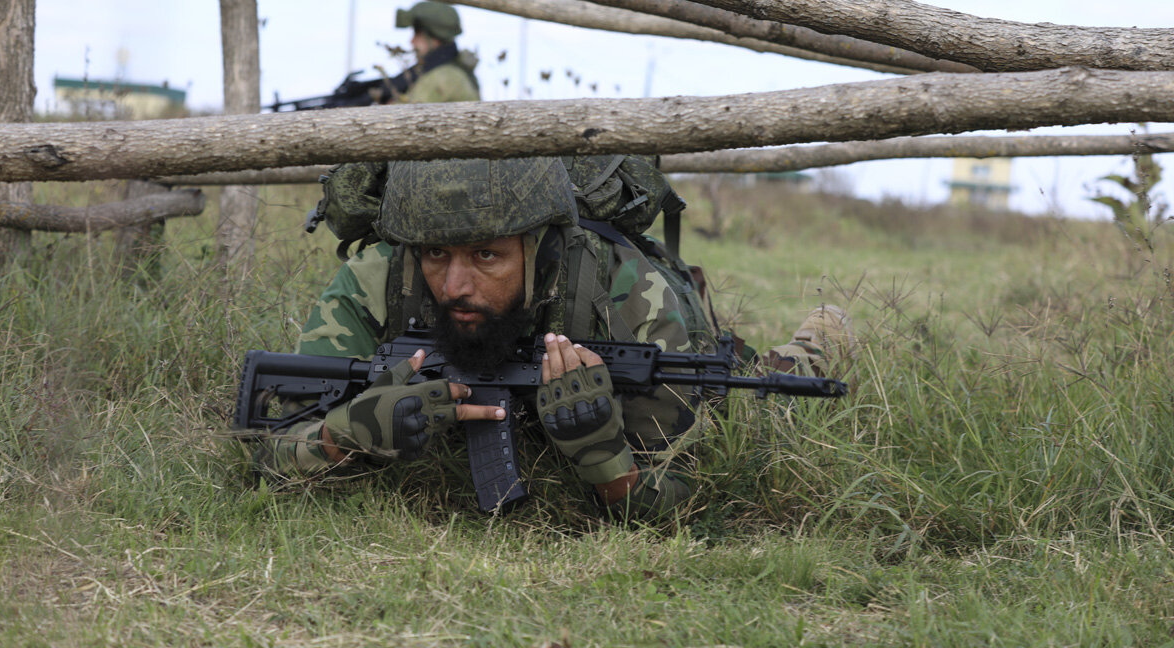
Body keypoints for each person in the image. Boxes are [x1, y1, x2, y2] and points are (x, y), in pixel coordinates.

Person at [258, 157, 852, 520]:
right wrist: (343, 436)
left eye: (486, 255)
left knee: (760, 382)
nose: (455, 285)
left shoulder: (631, 298)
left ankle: (823, 328)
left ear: (539, 246)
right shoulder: (375, 280)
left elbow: (686, 502)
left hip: (680, 344)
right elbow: (269, 451)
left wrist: (603, 456)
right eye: (436, 255)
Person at [384, 0, 480, 104]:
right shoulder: (452, 70)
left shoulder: (444, 76)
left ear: (434, 38)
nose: (412, 41)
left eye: (417, 33)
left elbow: (404, 115)